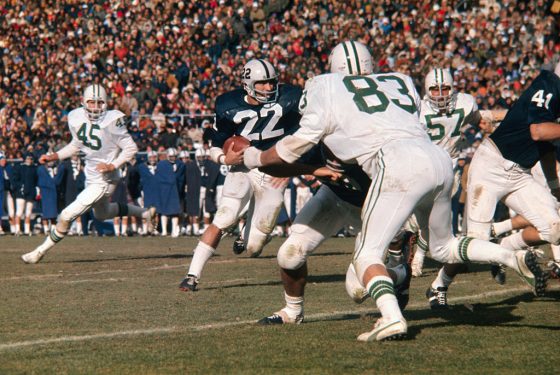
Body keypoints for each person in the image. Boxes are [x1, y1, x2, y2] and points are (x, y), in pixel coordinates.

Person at [240, 41, 546, 341]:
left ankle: (394, 302)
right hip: (394, 174)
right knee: (290, 254)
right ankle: (507, 255)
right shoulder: (397, 83)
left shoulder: (327, 92)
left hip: (381, 185)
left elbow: (293, 146)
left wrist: (252, 156)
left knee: (359, 282)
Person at [178, 58, 302, 292]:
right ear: (248, 84)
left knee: (254, 247)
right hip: (242, 167)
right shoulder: (228, 104)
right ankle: (192, 275)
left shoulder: (291, 97)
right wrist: (225, 159)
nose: (268, 87)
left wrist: (292, 166)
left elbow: (307, 131)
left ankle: (245, 234)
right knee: (224, 217)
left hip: (273, 169)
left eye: (271, 82)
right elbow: (215, 143)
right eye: (262, 83)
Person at [21, 84, 152, 263]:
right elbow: (76, 145)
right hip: (92, 176)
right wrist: (55, 155)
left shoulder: (113, 120)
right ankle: (145, 213)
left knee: (66, 215)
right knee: (102, 214)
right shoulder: (75, 117)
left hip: (105, 179)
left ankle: (39, 252)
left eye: (99, 103)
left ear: (105, 104)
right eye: (91, 102)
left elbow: (130, 148)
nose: (95, 107)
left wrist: (113, 165)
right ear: (84, 102)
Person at [464, 63, 560, 275]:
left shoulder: (555, 97)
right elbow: (538, 132)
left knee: (554, 229)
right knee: (476, 241)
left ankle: (506, 247)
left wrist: (554, 186)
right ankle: (439, 284)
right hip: (492, 165)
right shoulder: (549, 85)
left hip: (518, 174)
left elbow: (545, 149)